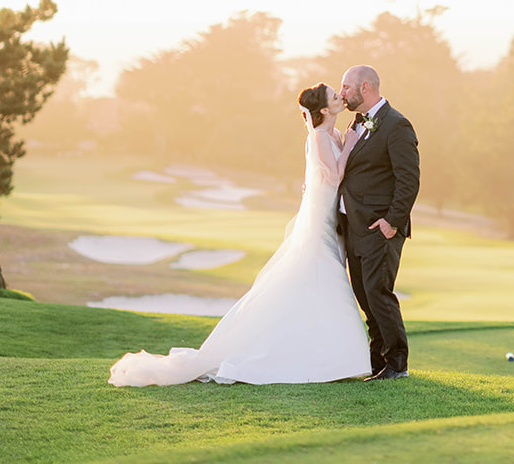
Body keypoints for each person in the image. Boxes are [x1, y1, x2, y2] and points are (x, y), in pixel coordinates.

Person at [107, 85, 372, 386]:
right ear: (324, 110)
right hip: (320, 218)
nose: (340, 96)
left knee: (318, 277)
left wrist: (346, 142)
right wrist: (351, 145)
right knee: (322, 275)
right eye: (334, 96)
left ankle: (325, 355)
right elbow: (334, 176)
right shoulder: (320, 137)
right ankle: (330, 360)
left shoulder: (334, 135)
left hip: (327, 213)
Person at [337, 64, 420, 380]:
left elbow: (408, 179)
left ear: (365, 88)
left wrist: (393, 221)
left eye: (346, 87)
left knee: (378, 292)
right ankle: (377, 363)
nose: (342, 93)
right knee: (364, 295)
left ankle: (398, 364)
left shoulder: (397, 126)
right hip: (354, 226)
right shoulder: (357, 124)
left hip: (380, 227)